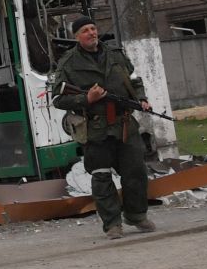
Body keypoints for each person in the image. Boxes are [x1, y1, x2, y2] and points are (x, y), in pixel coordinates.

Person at [50, 18, 156, 239]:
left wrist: (142, 99)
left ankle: (136, 215)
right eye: (85, 31)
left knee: (136, 171)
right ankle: (112, 224)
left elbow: (134, 80)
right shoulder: (69, 62)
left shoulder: (115, 54)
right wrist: (86, 98)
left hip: (124, 123)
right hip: (96, 128)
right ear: (77, 36)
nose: (91, 33)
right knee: (101, 177)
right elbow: (58, 99)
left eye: (93, 29)